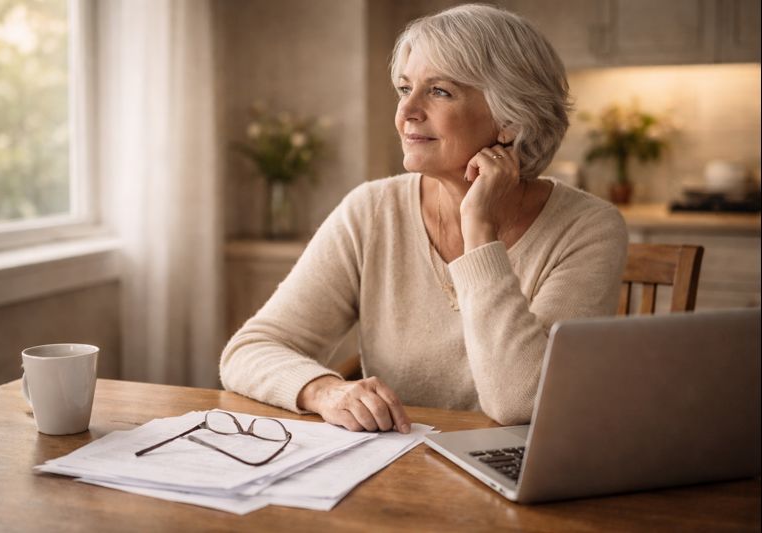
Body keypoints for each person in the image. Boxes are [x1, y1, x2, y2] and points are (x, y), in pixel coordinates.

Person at [220, 4, 627, 433]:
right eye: (404, 88)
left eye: (440, 91)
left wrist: (479, 230)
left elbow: (519, 404)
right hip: (394, 475)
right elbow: (250, 349)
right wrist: (326, 390)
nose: (407, 111)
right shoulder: (372, 210)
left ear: (509, 119)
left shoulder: (590, 229)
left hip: (520, 482)